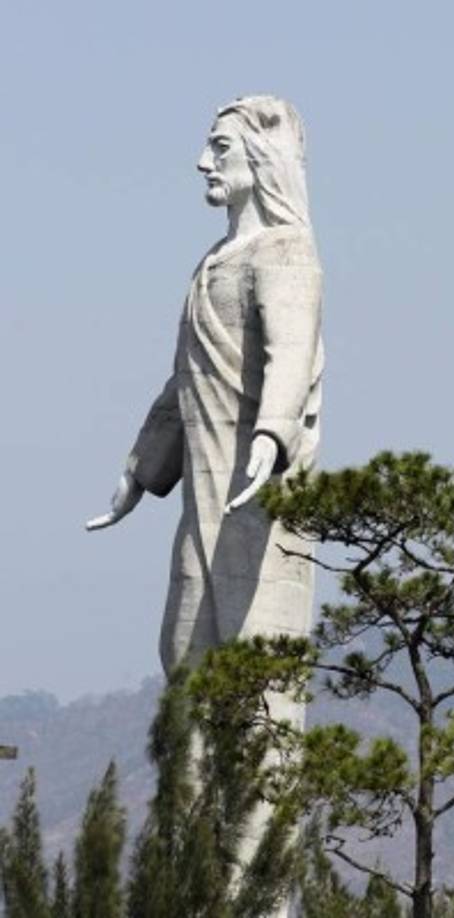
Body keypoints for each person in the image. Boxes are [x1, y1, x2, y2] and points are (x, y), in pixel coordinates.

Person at [87, 94, 323, 687]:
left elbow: (291, 355)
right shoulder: (215, 261)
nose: (202, 162)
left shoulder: (287, 253)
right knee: (184, 646)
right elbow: (183, 378)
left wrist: (273, 432)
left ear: (264, 157)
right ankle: (191, 784)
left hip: (256, 489)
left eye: (219, 148)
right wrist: (140, 470)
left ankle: (258, 784)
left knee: (254, 659)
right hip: (204, 488)